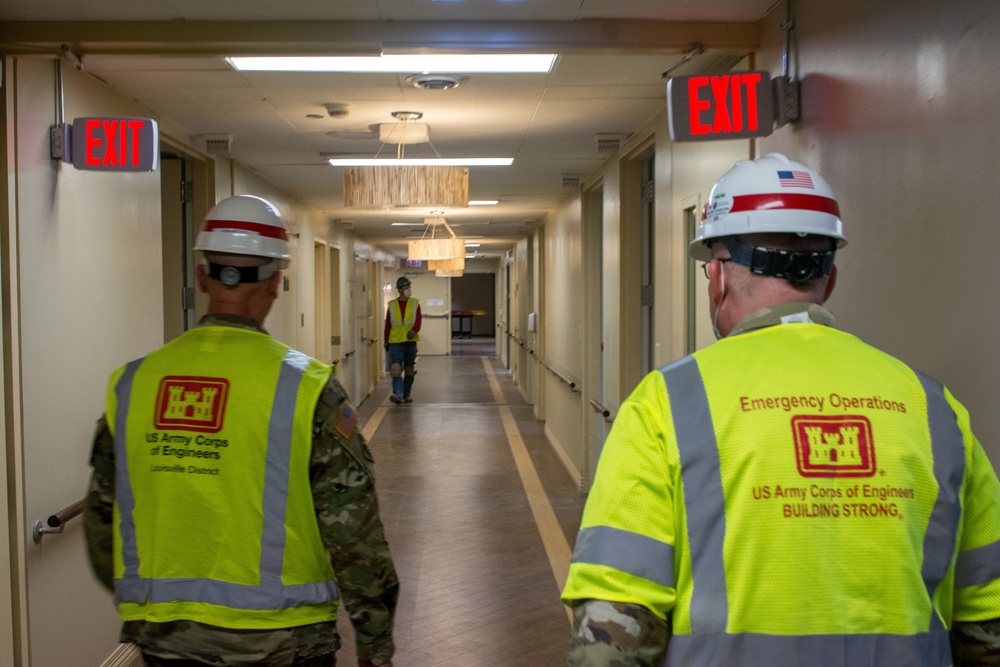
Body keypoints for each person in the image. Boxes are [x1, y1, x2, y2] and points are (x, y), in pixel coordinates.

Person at [561, 153, 1000, 666]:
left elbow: (613, 632)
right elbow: (987, 626)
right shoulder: (934, 409)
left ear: (719, 277)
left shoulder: (665, 404)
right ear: (828, 279)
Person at [83, 195, 399, 667]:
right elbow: (354, 534)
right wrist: (375, 647)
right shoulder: (308, 387)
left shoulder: (132, 383)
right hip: (283, 641)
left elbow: (101, 523)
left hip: (166, 639)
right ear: (275, 283)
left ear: (201, 276)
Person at [383, 276, 421, 404]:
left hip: (410, 342)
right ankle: (397, 394)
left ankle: (406, 394)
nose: (408, 290)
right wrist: (386, 339)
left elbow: (418, 320)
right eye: (406, 287)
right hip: (396, 341)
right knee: (396, 369)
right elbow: (388, 324)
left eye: (409, 287)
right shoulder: (392, 305)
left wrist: (414, 330)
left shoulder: (415, 303)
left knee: (409, 370)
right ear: (399, 289)